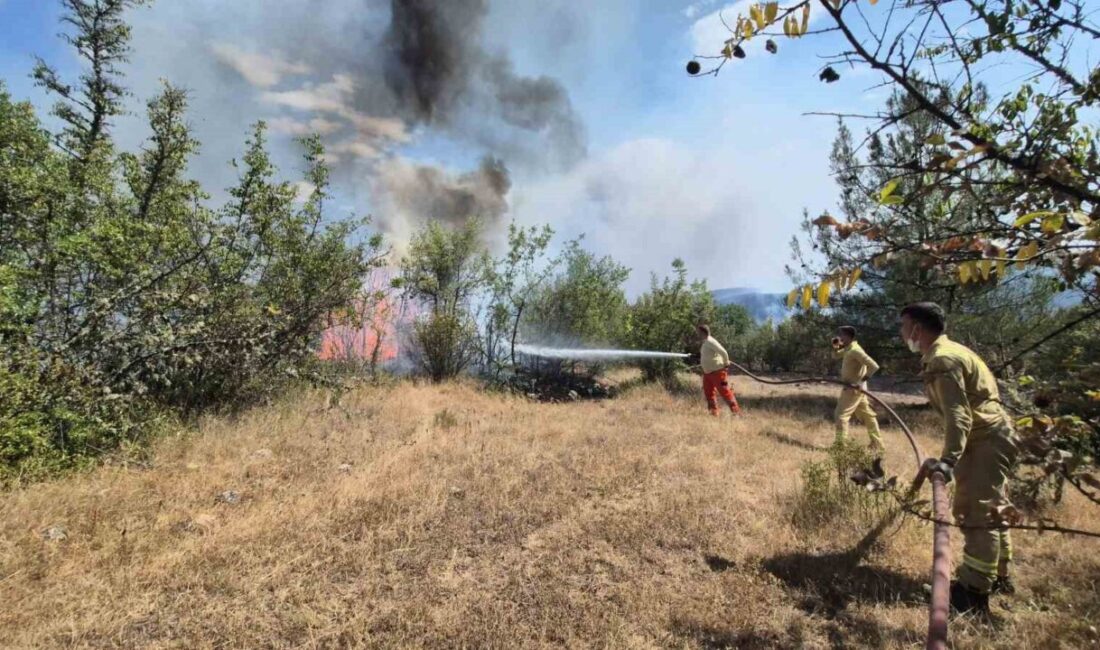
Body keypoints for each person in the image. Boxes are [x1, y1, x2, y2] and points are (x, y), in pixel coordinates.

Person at [900, 302, 1019, 615]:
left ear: (917, 328)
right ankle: (1000, 575)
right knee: (994, 507)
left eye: (904, 326)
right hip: (992, 436)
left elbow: (958, 414)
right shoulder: (949, 351)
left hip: (985, 440)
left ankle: (972, 593)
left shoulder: (943, 358)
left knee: (976, 512)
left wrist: (948, 460)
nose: (902, 334)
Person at [831, 326, 883, 453]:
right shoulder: (848, 348)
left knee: (841, 416)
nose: (840, 337)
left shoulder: (855, 350)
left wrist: (860, 381)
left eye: (841, 335)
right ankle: (877, 444)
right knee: (868, 416)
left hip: (853, 389)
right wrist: (836, 346)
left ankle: (840, 447)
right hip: (856, 389)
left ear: (848, 336)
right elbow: (835, 356)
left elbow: (874, 366)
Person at [697, 324, 741, 417]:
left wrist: (726, 362)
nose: (698, 334)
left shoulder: (711, 341)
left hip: (717, 372)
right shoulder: (705, 342)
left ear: (702, 332)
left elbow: (723, 352)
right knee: (708, 392)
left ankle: (736, 412)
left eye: (698, 332)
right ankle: (714, 413)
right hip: (708, 373)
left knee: (724, 392)